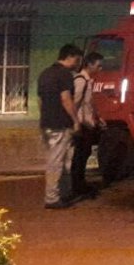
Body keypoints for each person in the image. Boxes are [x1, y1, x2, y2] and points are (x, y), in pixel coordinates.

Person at [38, 44, 83, 209]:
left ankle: (63, 193)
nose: (77, 63)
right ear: (70, 56)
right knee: (56, 161)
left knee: (58, 160)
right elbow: (66, 99)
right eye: (77, 59)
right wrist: (75, 120)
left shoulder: (44, 74)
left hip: (46, 123)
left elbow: (41, 101)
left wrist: (44, 117)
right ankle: (52, 198)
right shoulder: (64, 75)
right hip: (60, 123)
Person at [71, 52, 105, 198]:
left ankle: (80, 184)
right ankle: (77, 186)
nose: (100, 68)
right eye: (98, 65)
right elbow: (75, 103)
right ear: (90, 64)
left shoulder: (88, 81)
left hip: (87, 123)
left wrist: (98, 117)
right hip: (82, 124)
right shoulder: (81, 81)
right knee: (80, 156)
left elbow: (89, 103)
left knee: (84, 155)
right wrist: (76, 122)